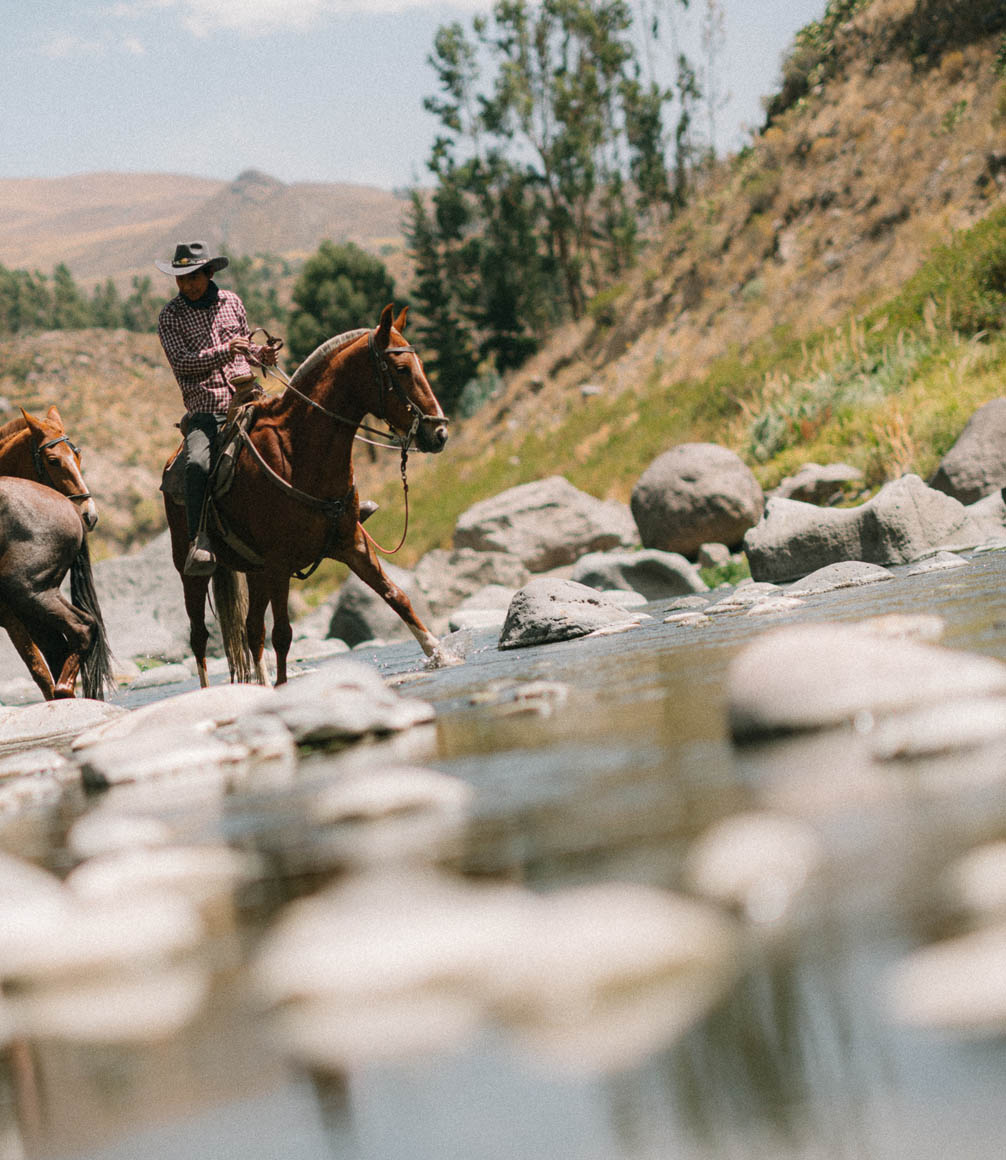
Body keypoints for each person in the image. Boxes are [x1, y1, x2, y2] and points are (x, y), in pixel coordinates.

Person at [155, 240, 277, 576]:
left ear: (209, 273)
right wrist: (227, 350)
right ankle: (199, 540)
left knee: (297, 433)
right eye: (181, 278)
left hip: (249, 397)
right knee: (196, 463)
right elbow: (183, 364)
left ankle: (336, 513)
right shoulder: (170, 316)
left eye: (194, 276)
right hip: (206, 410)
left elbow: (245, 348)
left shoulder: (232, 302)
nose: (188, 285)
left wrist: (260, 355)